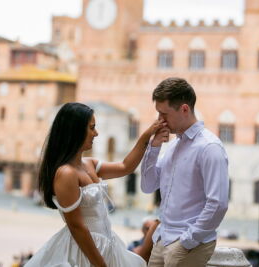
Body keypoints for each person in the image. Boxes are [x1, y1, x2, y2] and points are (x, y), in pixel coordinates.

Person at [25, 102, 166, 267]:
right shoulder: (66, 173)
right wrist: (100, 264)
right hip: (85, 251)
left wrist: (148, 135)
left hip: (107, 245)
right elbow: (77, 227)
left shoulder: (89, 164)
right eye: (92, 128)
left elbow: (126, 167)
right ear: (75, 131)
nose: (96, 133)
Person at [141, 77, 229, 267]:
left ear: (184, 109)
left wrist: (187, 241)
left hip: (187, 244)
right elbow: (147, 186)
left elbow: (218, 203)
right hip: (162, 239)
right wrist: (153, 148)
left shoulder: (209, 147)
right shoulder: (173, 146)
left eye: (164, 114)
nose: (159, 121)